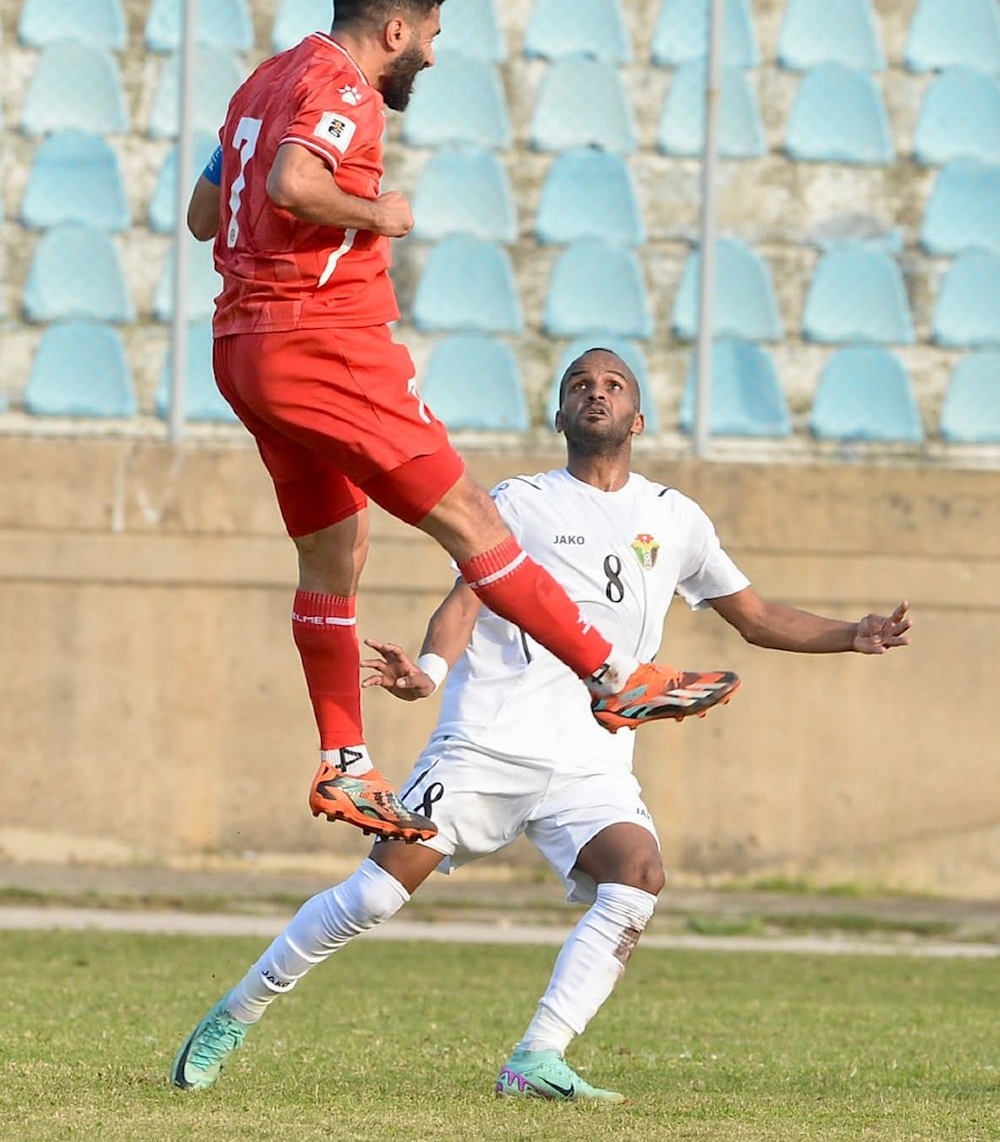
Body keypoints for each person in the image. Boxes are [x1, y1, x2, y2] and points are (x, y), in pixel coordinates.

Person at [171, 347, 912, 1101]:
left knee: (639, 877)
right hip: (487, 745)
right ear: (559, 416)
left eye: (613, 384)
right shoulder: (519, 502)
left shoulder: (675, 518)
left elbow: (754, 618)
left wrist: (852, 633)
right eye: (579, 385)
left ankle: (536, 1057)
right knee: (372, 898)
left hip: (591, 762)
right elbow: (465, 601)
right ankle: (238, 1010)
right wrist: (428, 672)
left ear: (638, 418)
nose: (597, 392)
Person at [185, 0, 739, 844]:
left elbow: (204, 216)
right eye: (430, 36)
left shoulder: (262, 80)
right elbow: (294, 181)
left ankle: (346, 764)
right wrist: (381, 215)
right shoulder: (344, 89)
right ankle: (612, 676)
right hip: (323, 345)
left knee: (336, 553)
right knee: (476, 520)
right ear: (395, 28)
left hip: (243, 347)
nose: (432, 58)